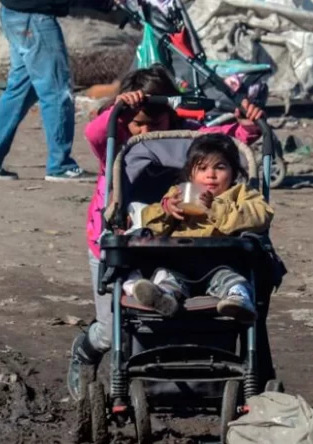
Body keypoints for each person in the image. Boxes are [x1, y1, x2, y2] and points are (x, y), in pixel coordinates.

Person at [67, 66, 264, 401]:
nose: (144, 130)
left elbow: (223, 147)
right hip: (122, 236)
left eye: (154, 124)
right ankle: (85, 351)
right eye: (138, 124)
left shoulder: (187, 136)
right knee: (114, 327)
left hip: (177, 242)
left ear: (170, 116)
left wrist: (247, 129)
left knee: (170, 308)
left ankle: (179, 376)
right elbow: (95, 135)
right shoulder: (118, 141)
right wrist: (120, 108)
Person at [122, 133, 273, 322]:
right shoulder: (179, 193)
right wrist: (166, 210)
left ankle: (238, 301)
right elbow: (148, 224)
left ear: (233, 171)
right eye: (202, 168)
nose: (211, 174)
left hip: (221, 261)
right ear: (190, 173)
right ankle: (163, 298)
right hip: (179, 261)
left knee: (232, 280)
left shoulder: (240, 193)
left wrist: (215, 208)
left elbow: (260, 215)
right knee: (167, 277)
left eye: (220, 167)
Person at [0, 0, 112, 181]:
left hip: (15, 13)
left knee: (23, 88)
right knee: (57, 91)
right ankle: (60, 165)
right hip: (34, 17)